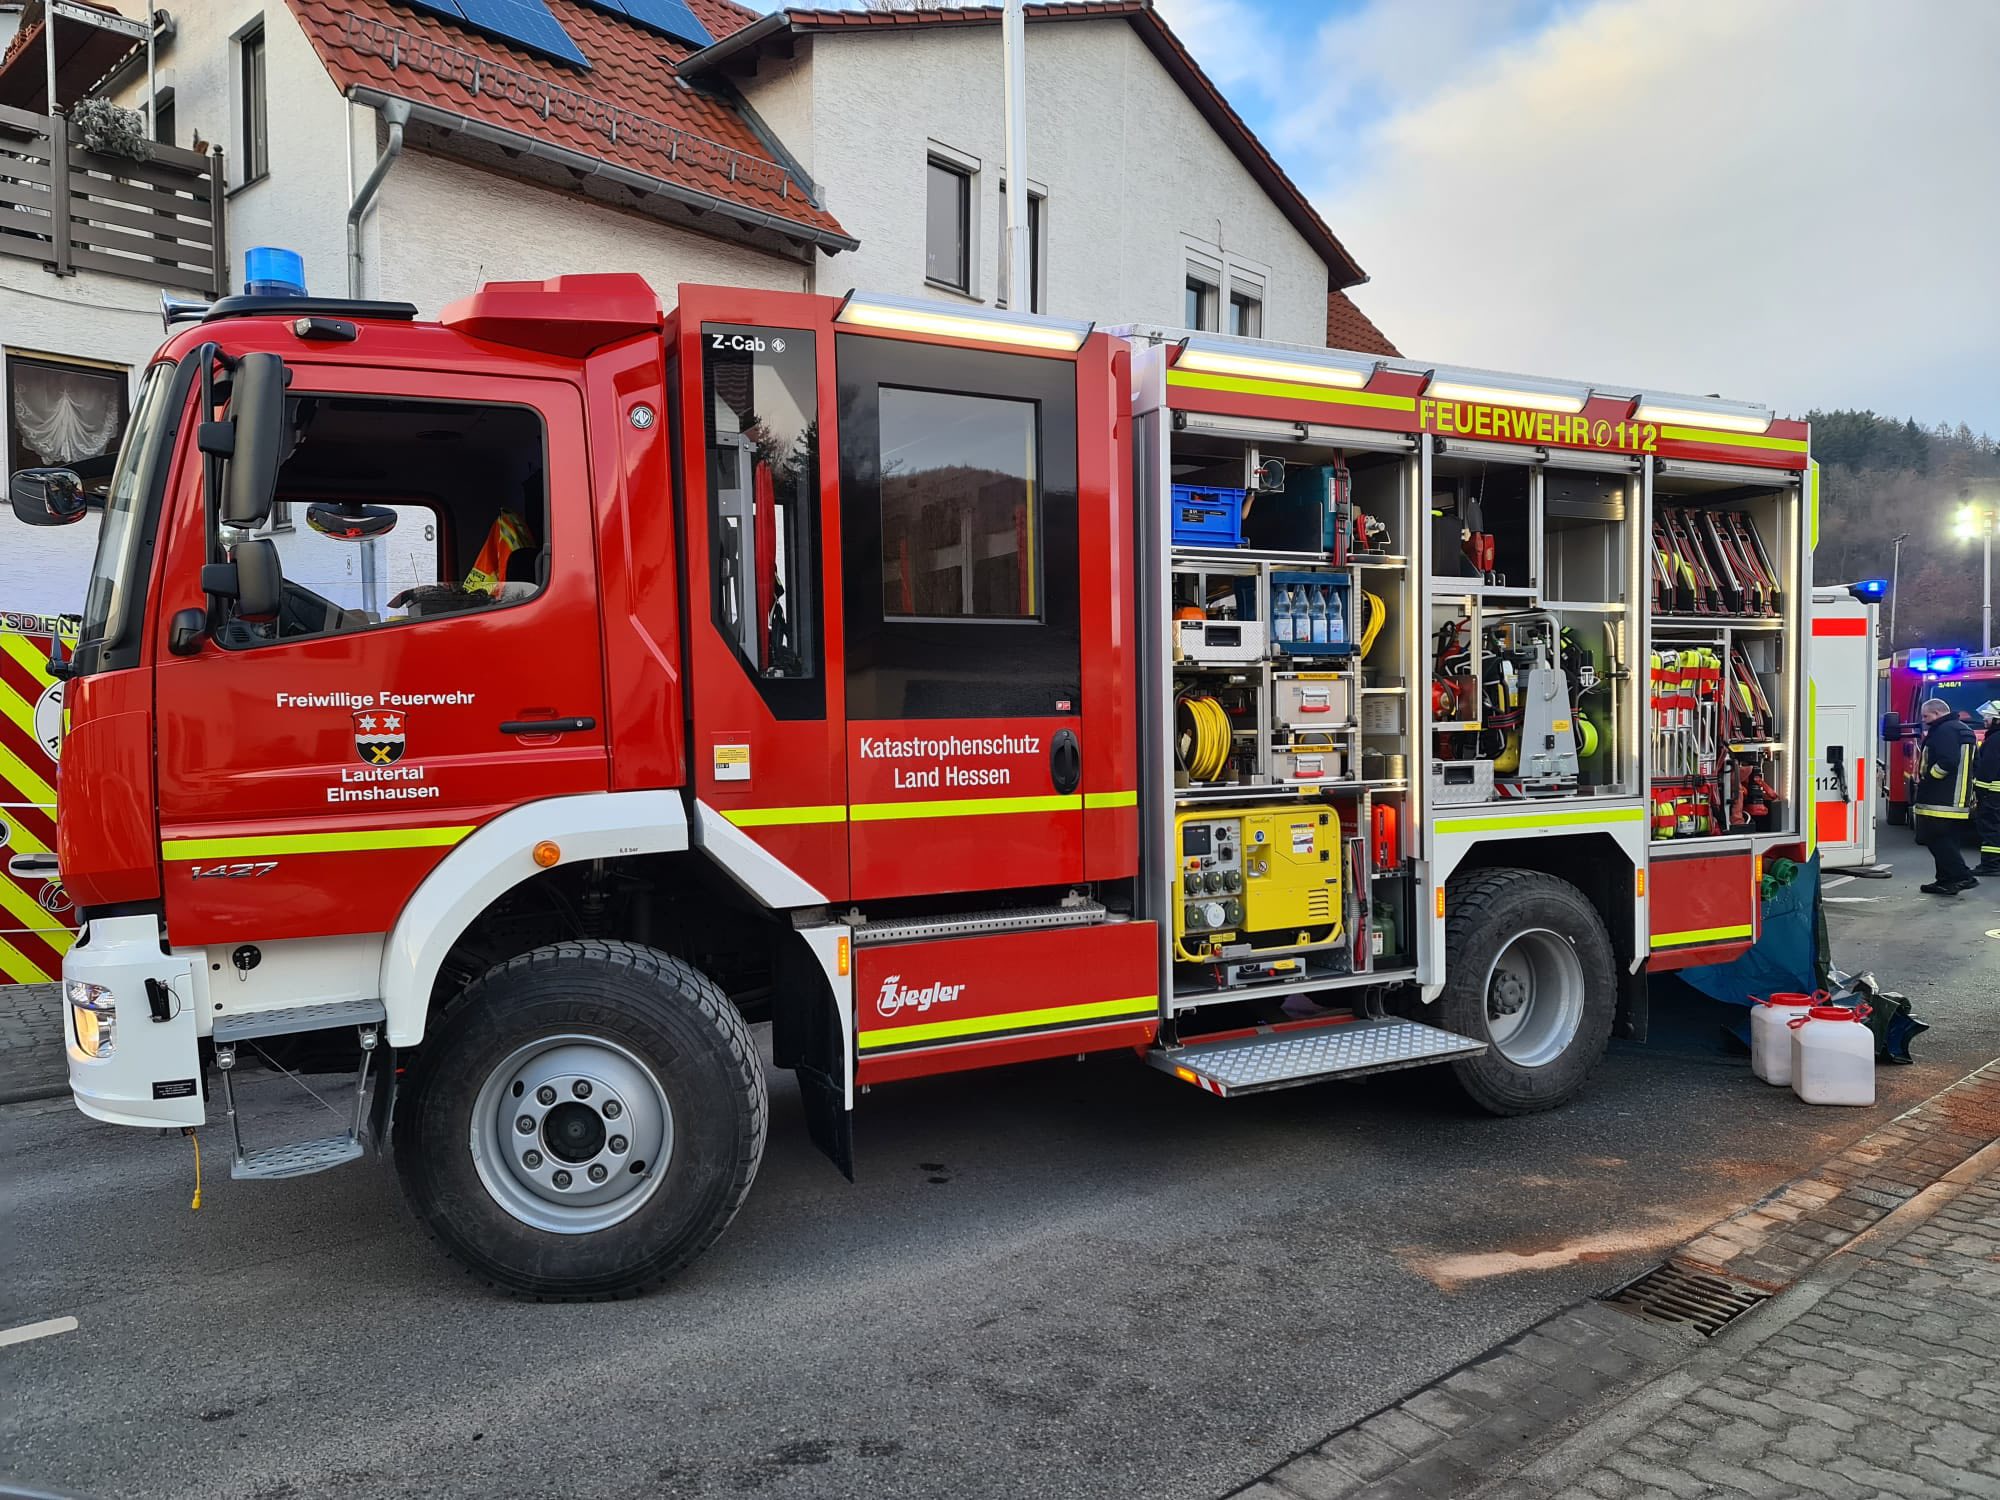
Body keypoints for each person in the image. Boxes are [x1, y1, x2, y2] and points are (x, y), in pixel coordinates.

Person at [1912, 696, 1976, 895]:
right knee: (1948, 839)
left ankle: (1962, 876)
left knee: (1935, 838)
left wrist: (1929, 780)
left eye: (1926, 716)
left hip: (1941, 798)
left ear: (1938, 713)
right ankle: (1945, 881)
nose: (1924, 720)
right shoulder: (1962, 729)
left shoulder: (1944, 730)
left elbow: (1948, 761)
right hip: (1958, 797)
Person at [1974, 701, 2000, 876]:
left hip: (1993, 794)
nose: (1985, 720)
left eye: (1988, 717)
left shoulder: (1994, 740)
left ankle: (1991, 865)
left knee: (1991, 828)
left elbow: (1987, 768)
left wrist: (1979, 790)